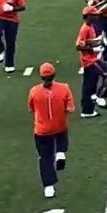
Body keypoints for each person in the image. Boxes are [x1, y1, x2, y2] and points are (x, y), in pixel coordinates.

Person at [29, 62, 74, 198]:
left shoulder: (34, 91)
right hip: (59, 126)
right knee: (62, 132)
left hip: (42, 130)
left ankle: (49, 187)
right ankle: (61, 152)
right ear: (54, 75)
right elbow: (70, 109)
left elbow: (30, 108)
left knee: (45, 158)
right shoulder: (64, 88)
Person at [74, 7, 107, 116]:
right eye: (94, 14)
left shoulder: (91, 26)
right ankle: (89, 108)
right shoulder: (85, 29)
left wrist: (98, 44)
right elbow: (79, 46)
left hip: (92, 59)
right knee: (95, 82)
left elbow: (89, 42)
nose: (97, 16)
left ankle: (89, 109)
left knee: (91, 84)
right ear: (89, 16)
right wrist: (94, 49)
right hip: (89, 61)